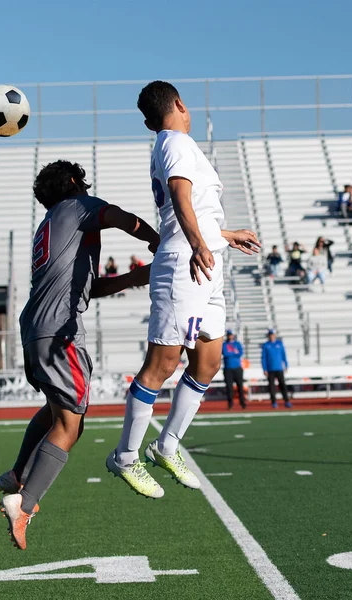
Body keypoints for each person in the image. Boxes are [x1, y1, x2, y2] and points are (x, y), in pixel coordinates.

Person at [106, 80, 261, 499]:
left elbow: (195, 209)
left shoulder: (176, 143)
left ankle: (167, 445)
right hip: (185, 263)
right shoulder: (173, 140)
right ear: (178, 104)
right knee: (164, 362)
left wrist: (224, 234)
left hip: (206, 258)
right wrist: (197, 244)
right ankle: (124, 456)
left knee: (208, 360)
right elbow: (179, 196)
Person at [0, 160, 160, 550]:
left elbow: (85, 288)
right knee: (72, 425)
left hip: (36, 329)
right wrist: (158, 241)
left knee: (57, 411)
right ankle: (25, 503)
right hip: (59, 331)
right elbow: (119, 217)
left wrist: (135, 278)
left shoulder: (51, 223)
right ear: (73, 182)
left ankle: (17, 474)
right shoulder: (76, 207)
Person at [261, 329, 292, 409]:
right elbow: (263, 358)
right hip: (270, 369)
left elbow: (283, 355)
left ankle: (287, 401)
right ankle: (274, 402)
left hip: (279, 368)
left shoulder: (279, 344)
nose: (272, 336)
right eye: (270, 335)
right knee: (272, 387)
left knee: (282, 385)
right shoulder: (266, 345)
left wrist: (286, 365)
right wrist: (264, 369)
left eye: (273, 334)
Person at [222, 330, 246, 409]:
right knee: (229, 387)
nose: (230, 336)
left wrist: (232, 353)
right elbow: (225, 353)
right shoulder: (224, 344)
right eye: (229, 335)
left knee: (240, 386)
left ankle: (242, 403)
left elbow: (240, 353)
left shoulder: (237, 344)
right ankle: (230, 403)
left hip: (237, 368)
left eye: (231, 335)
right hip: (228, 369)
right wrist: (234, 352)